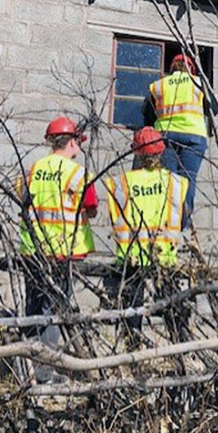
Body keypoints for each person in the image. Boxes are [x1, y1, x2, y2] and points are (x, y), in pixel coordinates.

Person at [17, 116, 97, 382]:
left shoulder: (32, 169)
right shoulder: (78, 173)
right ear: (71, 142)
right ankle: (44, 373)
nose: (79, 148)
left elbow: (24, 203)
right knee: (52, 311)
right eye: (78, 142)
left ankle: (27, 368)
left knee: (33, 309)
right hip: (63, 251)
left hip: (33, 250)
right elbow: (92, 209)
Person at [105, 127, 189, 345]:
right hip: (164, 256)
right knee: (173, 309)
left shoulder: (121, 183)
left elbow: (114, 218)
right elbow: (181, 218)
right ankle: (183, 351)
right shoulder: (177, 183)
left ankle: (133, 351)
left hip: (132, 257)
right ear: (161, 152)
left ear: (136, 153)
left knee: (132, 310)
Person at [143, 53, 216, 228]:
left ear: (171, 68)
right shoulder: (199, 83)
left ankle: (167, 222)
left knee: (169, 181)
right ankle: (183, 224)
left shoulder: (159, 85)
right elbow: (215, 108)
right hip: (194, 137)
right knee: (187, 180)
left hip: (165, 137)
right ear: (191, 68)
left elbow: (147, 113)